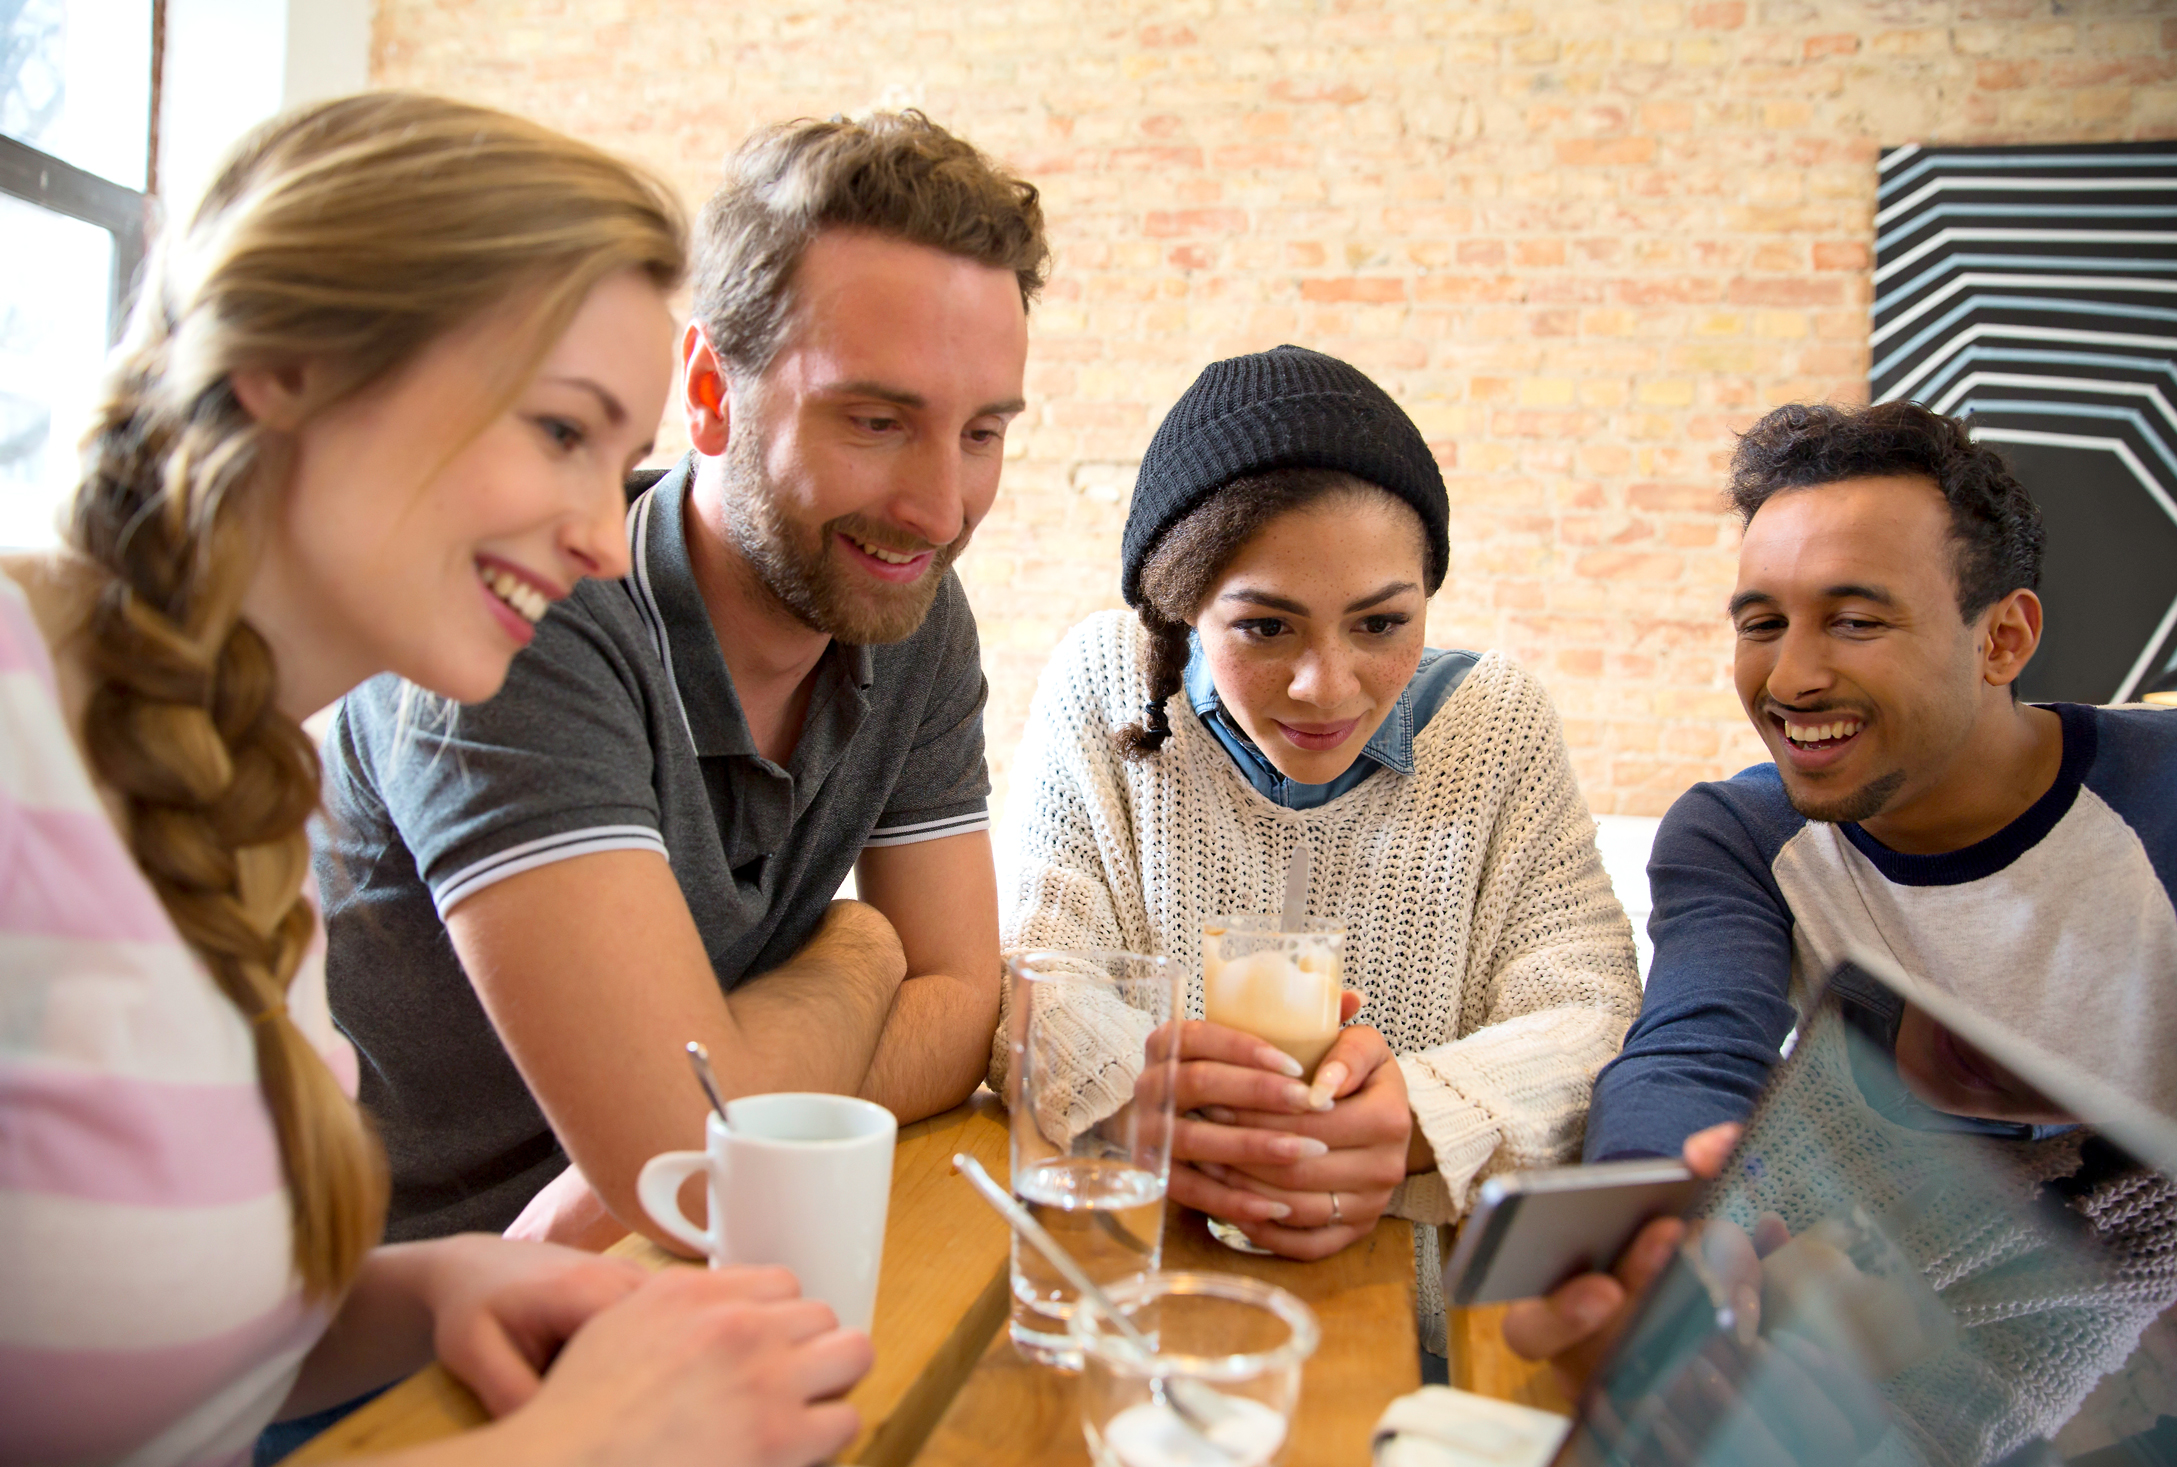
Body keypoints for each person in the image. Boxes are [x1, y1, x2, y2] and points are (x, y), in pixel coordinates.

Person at [1, 93, 869, 1466]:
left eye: (618, 454)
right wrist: (581, 1444)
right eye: (559, 429)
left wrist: (415, 1294)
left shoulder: (239, 776)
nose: (600, 538)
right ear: (291, 360)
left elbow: (106, 1354)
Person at [314, 110, 1047, 1251]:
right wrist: (866, 951)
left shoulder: (905, 607)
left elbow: (962, 1015)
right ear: (708, 390)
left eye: (982, 434)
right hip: (387, 1342)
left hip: (648, 1271)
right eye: (875, 420)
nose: (940, 510)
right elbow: (683, 1170)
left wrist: (710, 1126)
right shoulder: (521, 610)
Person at [1506, 400, 2177, 1437]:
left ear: (2001, 638)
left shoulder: (2176, 805)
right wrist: (1650, 1229)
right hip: (1852, 1290)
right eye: (1760, 622)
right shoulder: (1739, 833)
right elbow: (1692, 1050)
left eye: (1854, 619)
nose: (1788, 678)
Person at [994, 345, 1643, 1349]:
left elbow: (1591, 1010)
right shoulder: (1105, 686)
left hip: (1422, 1319)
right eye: (1265, 629)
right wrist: (1158, 1101)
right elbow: (1034, 976)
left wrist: (1421, 1119)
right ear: (1183, 608)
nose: (1327, 687)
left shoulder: (1498, 725)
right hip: (1136, 1295)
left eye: (1381, 623)